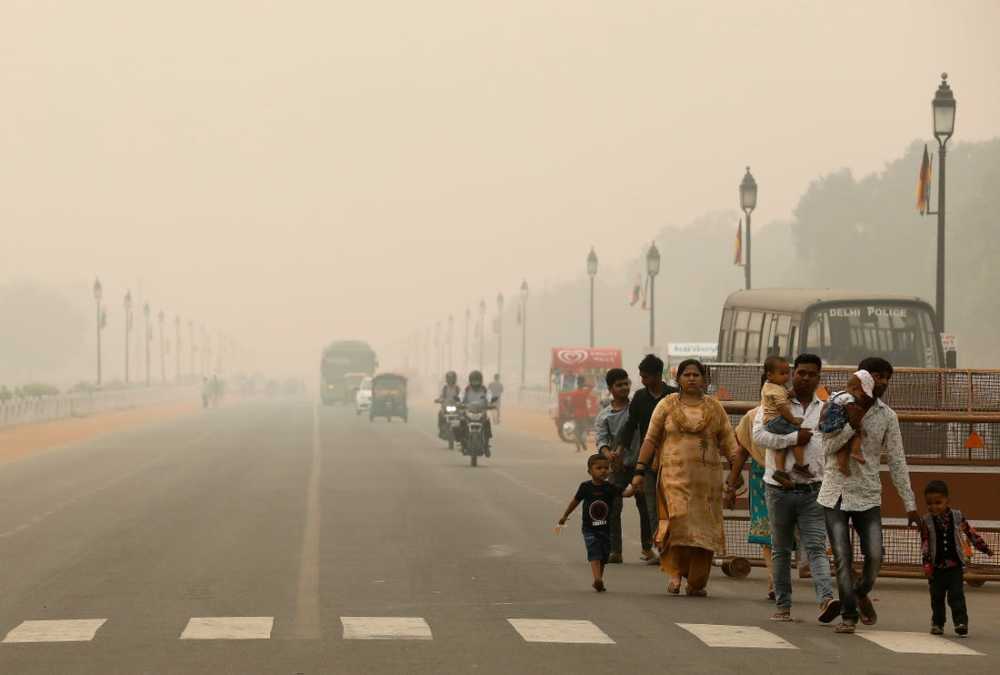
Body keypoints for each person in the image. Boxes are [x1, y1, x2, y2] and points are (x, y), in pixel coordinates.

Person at [818, 356, 919, 634]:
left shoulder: (888, 416)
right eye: (877, 375)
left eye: (887, 377)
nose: (883, 381)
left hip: (868, 494)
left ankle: (861, 591)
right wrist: (853, 424)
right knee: (842, 555)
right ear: (862, 376)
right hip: (835, 492)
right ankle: (848, 616)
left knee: (875, 555)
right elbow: (826, 447)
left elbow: (897, 460)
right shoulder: (837, 404)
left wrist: (909, 503)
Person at [629, 359, 739, 596]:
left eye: (696, 375)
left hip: (707, 485)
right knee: (676, 524)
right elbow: (650, 439)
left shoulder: (715, 408)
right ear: (678, 379)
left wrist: (735, 473)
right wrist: (639, 470)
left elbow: (730, 444)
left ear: (704, 379)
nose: (691, 378)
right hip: (673, 478)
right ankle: (675, 574)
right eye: (686, 375)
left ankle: (696, 581)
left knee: (702, 532)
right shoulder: (666, 405)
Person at [751, 353, 839, 623]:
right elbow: (759, 435)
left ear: (818, 378)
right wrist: (793, 437)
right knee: (781, 549)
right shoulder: (774, 401)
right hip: (778, 489)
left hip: (813, 488)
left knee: (815, 546)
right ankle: (783, 606)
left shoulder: (824, 407)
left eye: (812, 374)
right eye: (801, 372)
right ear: (793, 374)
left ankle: (826, 599)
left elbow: (830, 443)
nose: (805, 378)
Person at [616, 353, 677, 565]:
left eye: (646, 377)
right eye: (641, 377)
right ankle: (660, 547)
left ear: (658, 375)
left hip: (674, 461)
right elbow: (630, 425)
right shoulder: (640, 398)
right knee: (653, 507)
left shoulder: (674, 396)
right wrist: (621, 449)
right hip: (649, 461)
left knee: (674, 506)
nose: (642, 381)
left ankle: (678, 547)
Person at [595, 368, 653, 564]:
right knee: (613, 508)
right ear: (610, 388)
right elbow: (601, 440)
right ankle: (615, 551)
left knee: (646, 508)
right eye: (619, 385)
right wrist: (608, 455)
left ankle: (648, 548)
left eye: (626, 383)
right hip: (618, 468)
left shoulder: (637, 408)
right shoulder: (604, 415)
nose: (624, 388)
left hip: (640, 466)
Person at [920, 480, 994, 637]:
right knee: (937, 598)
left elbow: (971, 533)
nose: (934, 507)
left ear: (947, 500)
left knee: (956, 595)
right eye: (929, 503)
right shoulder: (926, 521)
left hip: (954, 567)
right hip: (936, 568)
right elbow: (925, 543)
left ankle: (961, 622)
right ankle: (938, 623)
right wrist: (926, 564)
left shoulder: (957, 517)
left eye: (938, 502)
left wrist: (984, 548)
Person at [557, 453, 632, 592]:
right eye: (599, 468)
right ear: (589, 471)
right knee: (594, 551)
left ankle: (599, 579)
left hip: (605, 529)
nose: (603, 470)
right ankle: (597, 579)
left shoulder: (610, 487)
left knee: (604, 555)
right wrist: (565, 515)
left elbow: (625, 493)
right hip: (589, 528)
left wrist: (635, 487)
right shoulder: (585, 487)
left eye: (606, 468)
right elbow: (575, 501)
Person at [725, 406, 774, 601]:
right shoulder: (752, 417)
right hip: (761, 479)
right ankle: (774, 579)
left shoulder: (796, 414)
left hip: (792, 480)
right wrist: (731, 485)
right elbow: (742, 451)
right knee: (767, 531)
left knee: (786, 532)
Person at [761, 356, 810, 487]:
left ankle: (779, 471)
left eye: (788, 373)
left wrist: (790, 393)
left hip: (771, 421)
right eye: (782, 373)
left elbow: (784, 396)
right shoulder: (775, 390)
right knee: (798, 437)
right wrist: (793, 420)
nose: (786, 377)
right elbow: (782, 408)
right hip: (777, 420)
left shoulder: (772, 386)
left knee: (781, 446)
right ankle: (800, 465)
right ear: (770, 375)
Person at [818, 370, 875, 475]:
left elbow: (825, 402)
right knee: (854, 434)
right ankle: (855, 452)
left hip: (825, 427)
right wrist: (859, 427)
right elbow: (851, 412)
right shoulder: (850, 398)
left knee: (842, 444)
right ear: (854, 389)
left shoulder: (837, 394)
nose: (862, 399)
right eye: (862, 396)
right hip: (836, 426)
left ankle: (842, 465)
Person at [462, 370, 493, 455]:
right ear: (470, 380)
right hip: (469, 411)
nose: (475, 383)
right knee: (462, 422)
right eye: (474, 380)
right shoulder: (467, 389)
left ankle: (486, 445)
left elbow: (489, 397)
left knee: (487, 423)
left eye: (477, 380)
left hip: (481, 411)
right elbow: (461, 397)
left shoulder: (484, 389)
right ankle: (463, 442)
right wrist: (459, 403)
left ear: (481, 380)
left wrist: (490, 404)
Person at [566, 375, 594, 453]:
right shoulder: (584, 392)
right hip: (584, 414)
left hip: (576, 414)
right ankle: (582, 441)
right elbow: (592, 386)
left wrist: (570, 413)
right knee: (583, 430)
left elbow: (570, 405)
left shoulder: (573, 394)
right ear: (582, 383)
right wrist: (585, 384)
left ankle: (578, 447)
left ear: (577, 383)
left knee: (576, 431)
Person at [437, 371, 462, 437]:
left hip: (455, 407)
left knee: (462, 417)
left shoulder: (457, 388)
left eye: (452, 378)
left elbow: (461, 396)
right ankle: (441, 430)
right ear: (447, 379)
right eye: (449, 378)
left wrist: (460, 401)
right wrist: (439, 400)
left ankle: (461, 433)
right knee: (440, 414)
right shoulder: (445, 388)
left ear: (454, 379)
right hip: (446, 407)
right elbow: (441, 396)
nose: (450, 380)